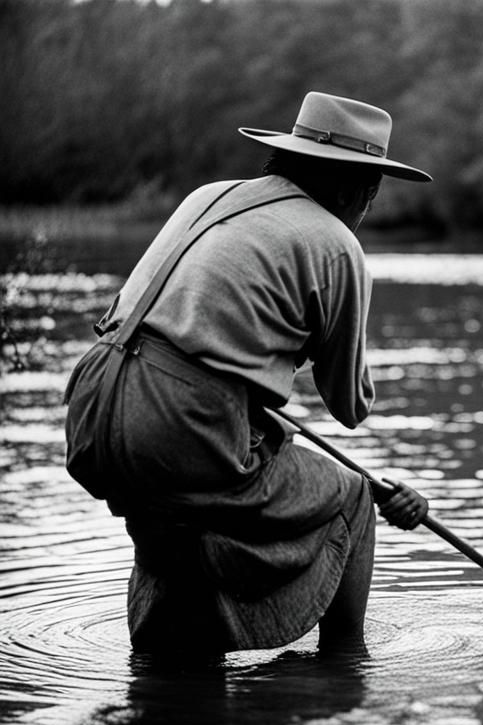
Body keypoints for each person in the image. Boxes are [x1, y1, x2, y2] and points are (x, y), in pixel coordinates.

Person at [63, 92, 432, 655]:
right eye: (373, 191)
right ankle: (346, 670)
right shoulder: (337, 244)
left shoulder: (208, 197)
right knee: (353, 496)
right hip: (182, 421)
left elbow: (181, 330)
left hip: (92, 403)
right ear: (360, 186)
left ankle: (167, 681)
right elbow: (350, 406)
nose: (371, 205)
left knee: (175, 524)